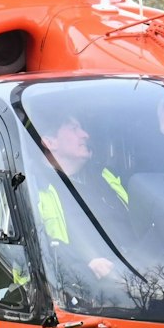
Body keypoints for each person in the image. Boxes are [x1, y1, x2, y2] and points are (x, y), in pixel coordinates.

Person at [32, 112, 133, 289]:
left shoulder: (106, 176)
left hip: (138, 275)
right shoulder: (32, 186)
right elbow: (35, 248)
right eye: (74, 128)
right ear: (50, 142)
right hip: (76, 290)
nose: (85, 135)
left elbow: (136, 223)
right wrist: (85, 265)